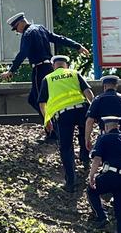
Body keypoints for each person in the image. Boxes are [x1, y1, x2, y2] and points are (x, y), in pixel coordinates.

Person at [1, 12, 90, 141]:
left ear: (21, 23)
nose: (17, 31)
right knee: (33, 99)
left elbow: (22, 54)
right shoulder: (40, 28)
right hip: (49, 67)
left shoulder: (27, 34)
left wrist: (11, 71)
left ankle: (52, 132)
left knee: (41, 100)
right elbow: (58, 38)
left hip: (39, 69)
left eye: (16, 28)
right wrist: (77, 46)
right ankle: (53, 127)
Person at [38, 55, 94, 192]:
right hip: (82, 109)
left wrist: (47, 120)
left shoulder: (48, 79)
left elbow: (42, 103)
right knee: (83, 133)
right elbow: (88, 92)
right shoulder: (75, 73)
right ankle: (85, 158)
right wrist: (93, 110)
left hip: (63, 115)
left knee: (66, 147)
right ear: (66, 65)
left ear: (53, 66)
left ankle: (71, 181)